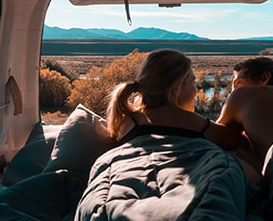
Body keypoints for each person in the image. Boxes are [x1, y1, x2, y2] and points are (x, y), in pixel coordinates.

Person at [106, 48, 250, 151]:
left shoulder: (126, 120)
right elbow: (242, 143)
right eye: (193, 83)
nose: (196, 90)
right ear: (176, 87)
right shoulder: (191, 122)